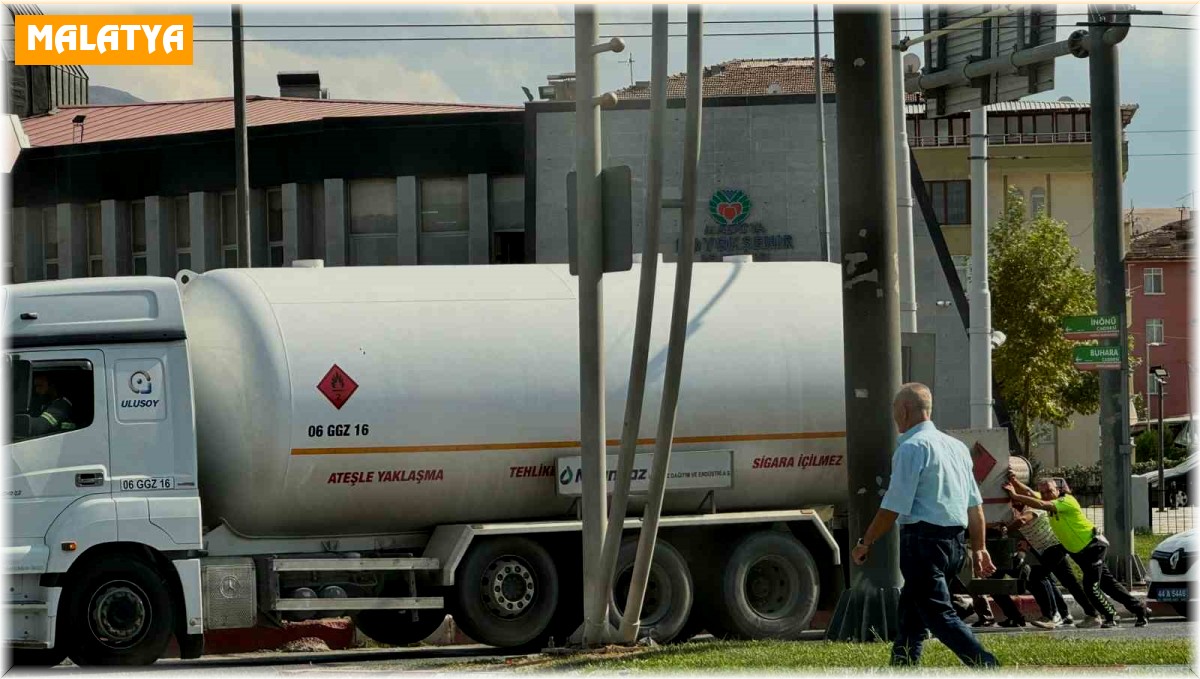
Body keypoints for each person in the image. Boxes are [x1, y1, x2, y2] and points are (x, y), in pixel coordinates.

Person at [851, 383, 998, 668]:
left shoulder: (911, 448)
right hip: (954, 544)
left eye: (895, 411)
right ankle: (901, 669)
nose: (894, 418)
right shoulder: (956, 447)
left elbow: (893, 506)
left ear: (904, 411)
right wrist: (979, 548)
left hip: (922, 543)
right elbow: (974, 505)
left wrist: (865, 542)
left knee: (939, 617)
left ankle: (988, 666)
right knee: (911, 619)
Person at [1004, 476, 1149, 628]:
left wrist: (1014, 495)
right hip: (1077, 551)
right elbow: (1030, 492)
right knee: (1108, 585)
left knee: (1090, 586)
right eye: (1043, 492)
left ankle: (1110, 615)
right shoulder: (1048, 498)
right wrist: (1013, 480)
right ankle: (1140, 610)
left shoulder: (1066, 501)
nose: (1046, 494)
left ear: (1058, 490)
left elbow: (1040, 503)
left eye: (1049, 491)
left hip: (1093, 547)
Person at [1005, 490, 1097, 628]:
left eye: (1016, 499)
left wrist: (1004, 529)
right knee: (1069, 582)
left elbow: (1022, 520)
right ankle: (1091, 614)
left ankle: (1052, 616)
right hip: (1046, 550)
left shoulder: (1032, 507)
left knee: (1036, 577)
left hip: (1054, 547)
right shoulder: (1013, 513)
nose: (1014, 502)